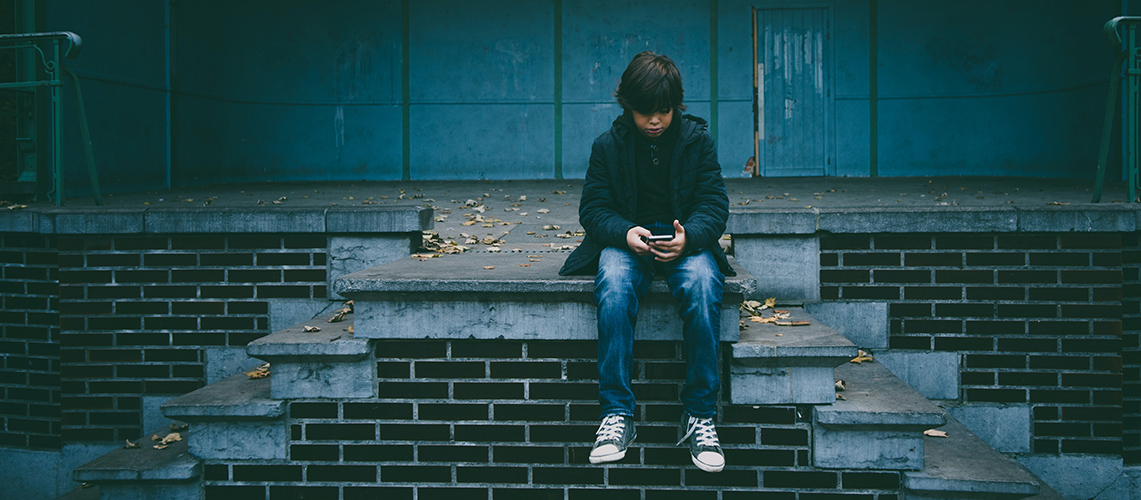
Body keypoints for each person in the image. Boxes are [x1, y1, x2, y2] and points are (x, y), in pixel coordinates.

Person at [558, 51, 733, 473]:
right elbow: (594, 208)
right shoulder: (608, 146)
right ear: (627, 105)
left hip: (684, 242)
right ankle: (616, 415)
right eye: (644, 112)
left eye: (664, 111)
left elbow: (714, 203)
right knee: (614, 285)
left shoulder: (697, 141)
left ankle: (700, 416)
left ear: (676, 106)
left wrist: (689, 237)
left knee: (704, 285)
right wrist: (623, 233)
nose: (654, 121)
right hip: (627, 241)